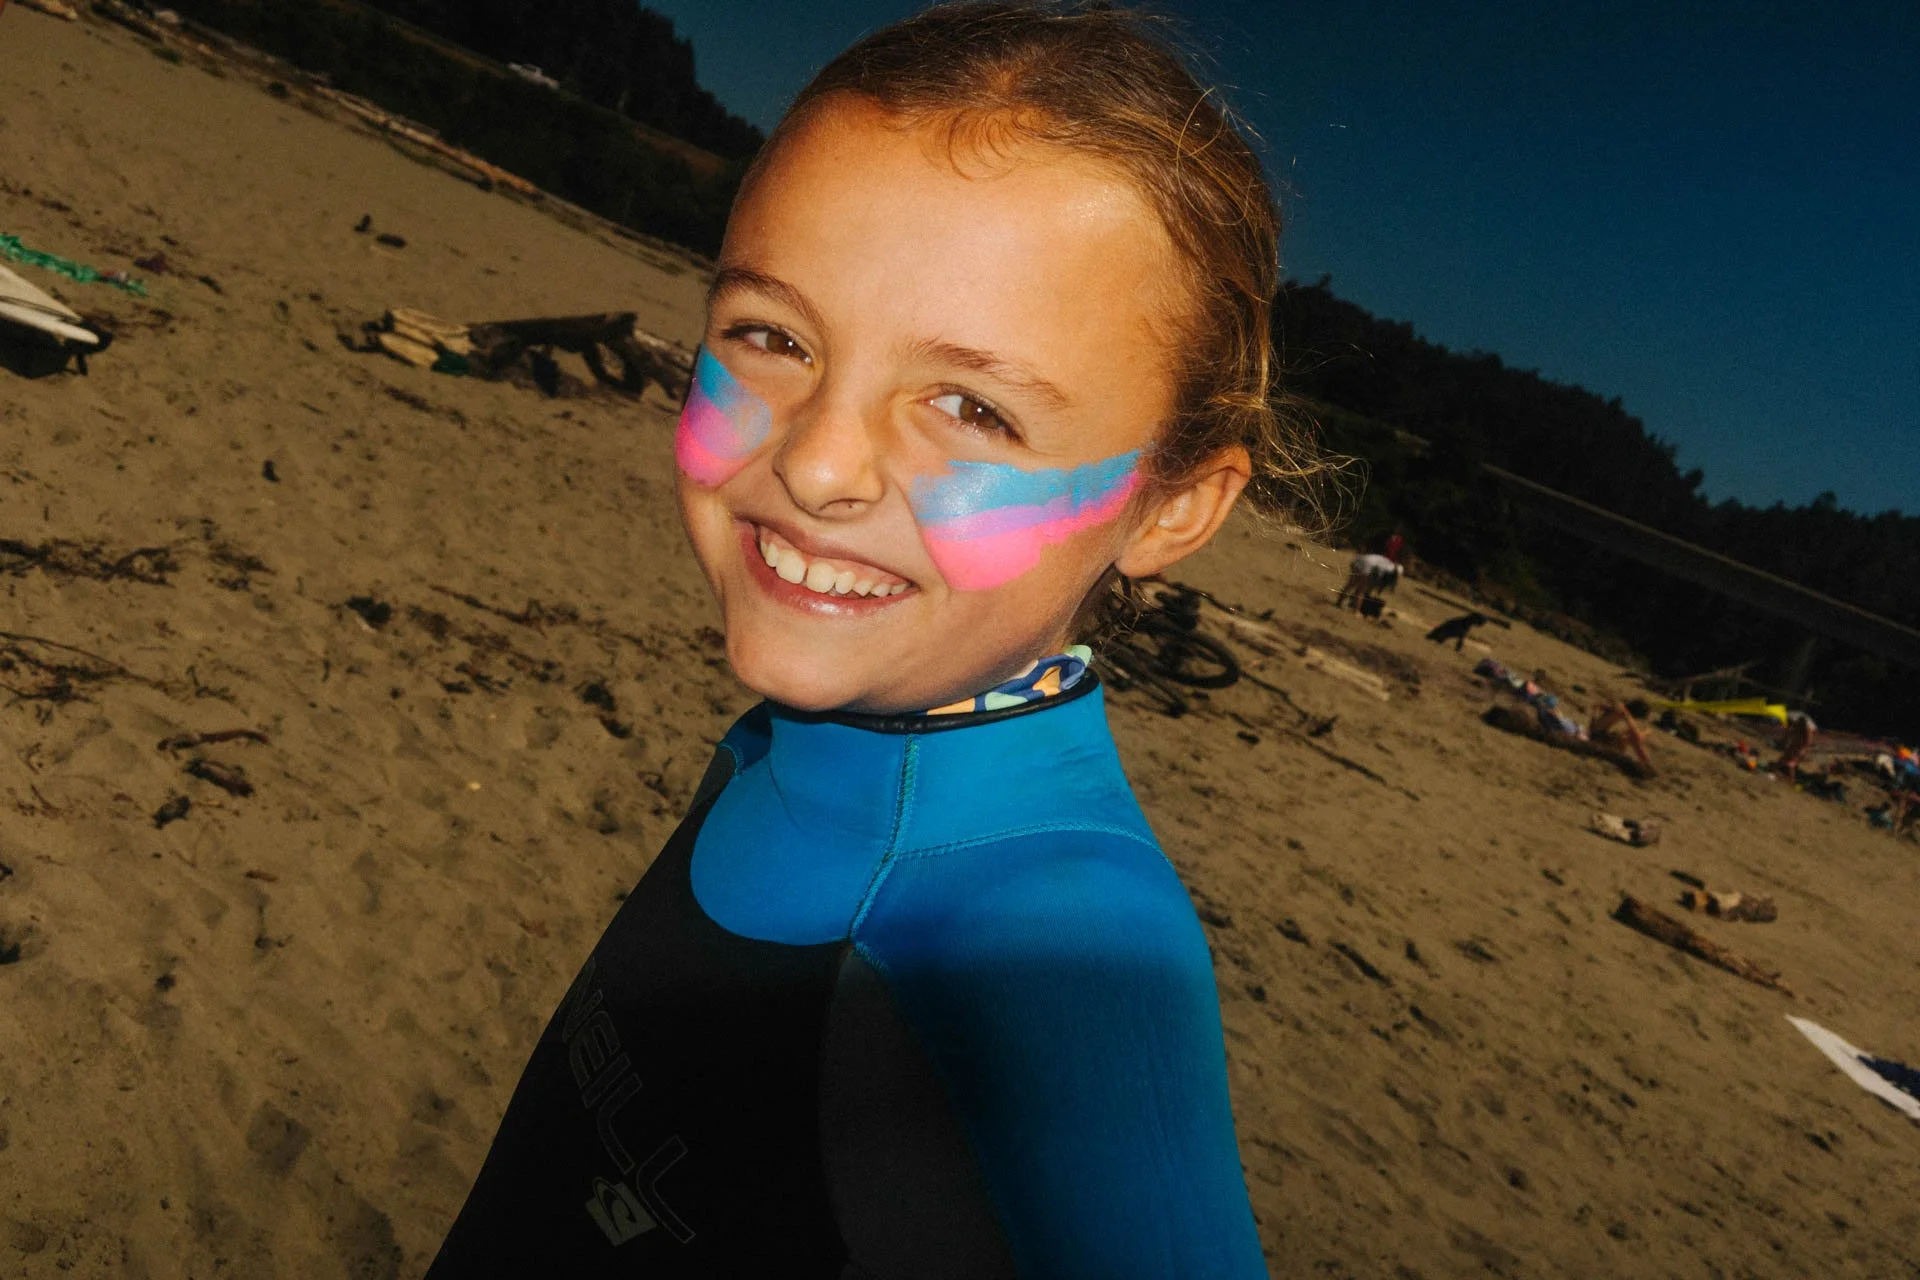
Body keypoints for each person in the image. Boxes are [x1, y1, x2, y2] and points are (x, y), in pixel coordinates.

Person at [424, 6, 1306, 1276]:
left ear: (1171, 506)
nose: (818, 459)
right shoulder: (809, 728)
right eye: (773, 337)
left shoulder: (1065, 950)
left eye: (971, 407)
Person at [1336, 550, 1401, 612]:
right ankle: (1356, 611)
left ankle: (1339, 602)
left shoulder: (1388, 564)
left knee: (1351, 584)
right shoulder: (1390, 569)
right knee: (1361, 590)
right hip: (1367, 564)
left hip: (1361, 560)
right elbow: (1376, 579)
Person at [1777, 709, 1817, 780]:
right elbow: (1791, 733)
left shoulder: (1808, 729)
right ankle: (1777, 769)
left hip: (1799, 746)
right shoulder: (1798, 726)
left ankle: (1791, 778)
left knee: (1791, 761)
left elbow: (1808, 741)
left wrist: (1803, 750)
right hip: (1796, 744)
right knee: (1786, 757)